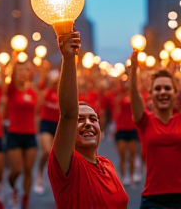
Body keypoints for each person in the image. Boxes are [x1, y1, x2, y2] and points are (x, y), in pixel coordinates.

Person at [47, 30, 128, 209]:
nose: (88, 123)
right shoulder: (66, 165)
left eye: (93, 119)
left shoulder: (107, 165)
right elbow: (68, 114)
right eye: (80, 119)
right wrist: (69, 58)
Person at [129, 49, 181, 209]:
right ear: (151, 94)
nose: (163, 92)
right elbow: (133, 92)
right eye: (158, 89)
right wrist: (134, 67)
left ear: (175, 93)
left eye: (167, 88)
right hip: (153, 199)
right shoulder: (144, 121)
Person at [5, 60, 38, 209]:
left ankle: (26, 199)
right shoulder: (12, 89)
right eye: (20, 71)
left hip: (30, 134)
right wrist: (15, 57)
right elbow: (12, 79)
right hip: (14, 134)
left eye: (25, 70)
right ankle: (13, 188)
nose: (23, 73)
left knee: (29, 170)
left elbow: (38, 109)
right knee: (16, 170)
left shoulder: (32, 90)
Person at [34, 69, 60, 194]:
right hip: (46, 124)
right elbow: (37, 109)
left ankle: (58, 181)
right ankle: (39, 173)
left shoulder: (63, 95)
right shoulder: (45, 93)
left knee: (58, 155)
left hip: (58, 126)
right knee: (46, 151)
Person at [114, 83, 138, 186]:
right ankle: (124, 177)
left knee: (132, 155)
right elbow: (116, 110)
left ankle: (131, 176)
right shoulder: (120, 98)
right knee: (123, 155)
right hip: (122, 128)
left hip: (132, 127)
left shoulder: (135, 98)